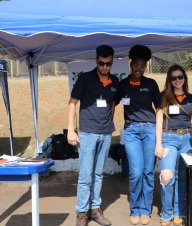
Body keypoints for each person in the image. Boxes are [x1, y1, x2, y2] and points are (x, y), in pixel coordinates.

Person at [67, 45, 119, 226]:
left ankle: (95, 209)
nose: (105, 67)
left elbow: (113, 103)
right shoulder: (85, 78)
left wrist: (108, 122)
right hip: (88, 134)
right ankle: (81, 213)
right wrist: (71, 130)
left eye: (108, 64)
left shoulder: (114, 81)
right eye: (101, 63)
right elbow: (72, 103)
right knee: (85, 176)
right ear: (96, 60)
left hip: (105, 134)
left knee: (98, 175)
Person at [114, 45, 160, 225]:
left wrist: (158, 131)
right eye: (136, 65)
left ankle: (145, 209)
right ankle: (135, 208)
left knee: (148, 172)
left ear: (145, 67)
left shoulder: (151, 84)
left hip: (149, 130)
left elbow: (159, 109)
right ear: (131, 65)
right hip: (131, 131)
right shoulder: (123, 84)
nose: (139, 69)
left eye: (142, 66)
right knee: (136, 172)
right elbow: (113, 102)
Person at [155, 64, 192, 226]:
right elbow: (159, 120)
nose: (177, 80)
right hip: (169, 138)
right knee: (167, 176)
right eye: (173, 78)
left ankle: (179, 211)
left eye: (180, 77)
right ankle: (166, 213)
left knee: (182, 177)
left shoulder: (191, 98)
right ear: (169, 80)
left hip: (187, 139)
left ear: (184, 79)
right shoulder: (163, 96)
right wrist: (158, 144)